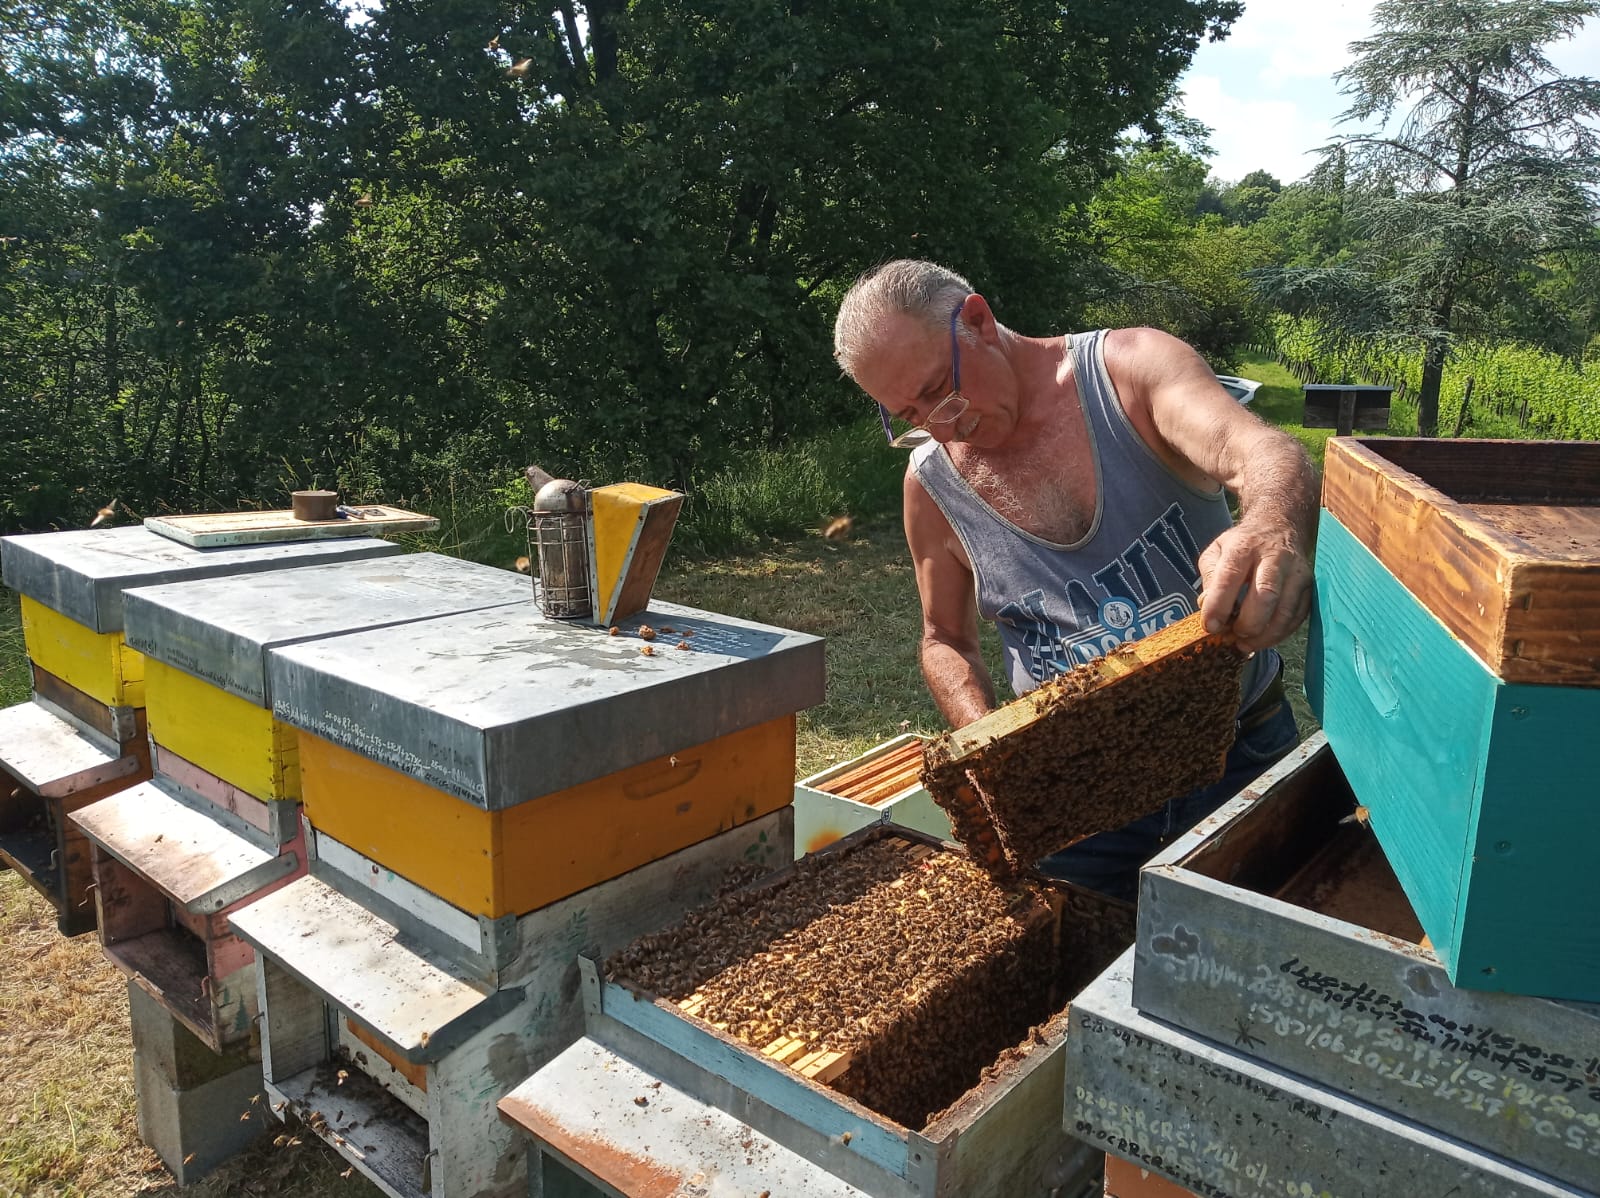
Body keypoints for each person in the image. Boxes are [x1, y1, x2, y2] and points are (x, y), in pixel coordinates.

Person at [833, 260, 1317, 902]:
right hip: (1074, 797)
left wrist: (1272, 525)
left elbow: (1266, 453)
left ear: (977, 320)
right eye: (912, 415)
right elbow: (944, 637)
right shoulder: (929, 485)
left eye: (941, 389)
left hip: (1236, 757)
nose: (944, 426)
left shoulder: (1133, 371)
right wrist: (990, 749)